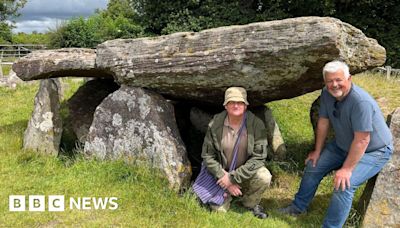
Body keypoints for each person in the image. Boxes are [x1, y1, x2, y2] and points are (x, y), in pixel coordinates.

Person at [279, 60, 393, 227]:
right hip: (342, 145)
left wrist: (346, 169)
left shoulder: (361, 102)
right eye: (329, 81)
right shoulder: (327, 93)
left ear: (349, 79)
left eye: (338, 80)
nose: (334, 85)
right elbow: (323, 122)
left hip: (373, 151)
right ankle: (297, 207)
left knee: (344, 185)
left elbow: (362, 140)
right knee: (313, 165)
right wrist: (317, 151)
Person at [199, 86, 272, 219]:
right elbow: (207, 156)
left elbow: (259, 157)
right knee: (219, 212)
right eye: (231, 102)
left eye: (240, 102)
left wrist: (232, 178)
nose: (236, 105)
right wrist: (223, 176)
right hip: (221, 175)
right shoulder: (215, 124)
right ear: (225, 106)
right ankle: (227, 194)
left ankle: (250, 203)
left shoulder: (257, 125)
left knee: (264, 176)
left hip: (244, 172)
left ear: (245, 106)